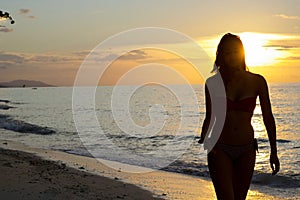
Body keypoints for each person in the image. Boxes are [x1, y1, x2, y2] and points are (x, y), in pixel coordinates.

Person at [198, 33, 280, 200]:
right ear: (220, 55)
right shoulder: (212, 83)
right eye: (227, 52)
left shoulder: (257, 81)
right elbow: (210, 117)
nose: (232, 56)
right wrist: (206, 139)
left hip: (247, 149)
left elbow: (268, 118)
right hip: (220, 148)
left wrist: (274, 151)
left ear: (242, 53)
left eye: (236, 51)